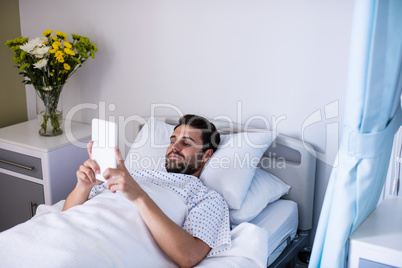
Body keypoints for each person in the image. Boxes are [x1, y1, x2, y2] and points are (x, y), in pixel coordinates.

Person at [62, 114, 230, 268]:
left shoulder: (207, 198)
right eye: (172, 141)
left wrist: (139, 196)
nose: (175, 147)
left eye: (186, 143)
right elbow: (66, 215)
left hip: (102, 250)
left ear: (207, 155)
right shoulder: (133, 175)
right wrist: (83, 186)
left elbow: (189, 256)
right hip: (67, 236)